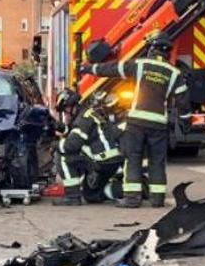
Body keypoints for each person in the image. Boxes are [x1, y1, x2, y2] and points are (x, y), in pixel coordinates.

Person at [82, 32, 186, 208]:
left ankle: (132, 198)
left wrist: (88, 68)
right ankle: (157, 199)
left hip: (137, 123)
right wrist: (184, 122)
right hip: (159, 124)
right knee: (157, 161)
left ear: (152, 49)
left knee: (133, 158)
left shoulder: (141, 65)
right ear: (167, 52)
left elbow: (113, 69)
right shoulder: (174, 73)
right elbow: (183, 103)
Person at [55, 94, 125, 205]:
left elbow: (72, 145)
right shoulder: (88, 113)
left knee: (61, 154)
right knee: (90, 195)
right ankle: (126, 189)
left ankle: (72, 196)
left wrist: (55, 145)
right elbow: (81, 133)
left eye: (65, 110)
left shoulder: (83, 119)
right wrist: (62, 128)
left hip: (102, 161)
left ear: (72, 107)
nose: (65, 114)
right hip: (111, 160)